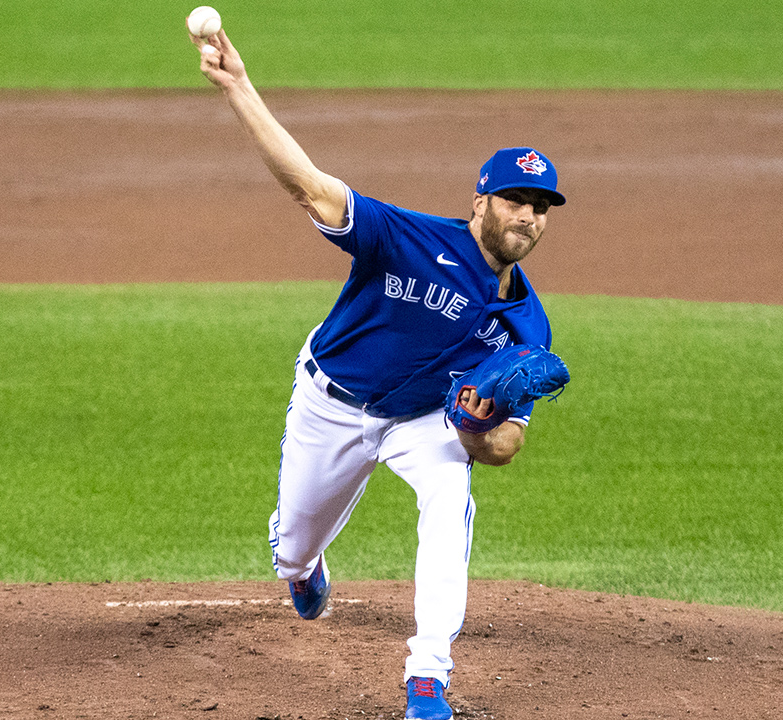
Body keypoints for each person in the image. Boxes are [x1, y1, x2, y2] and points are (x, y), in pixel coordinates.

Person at [192, 27, 566, 720]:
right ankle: (304, 566)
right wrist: (239, 86)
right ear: (480, 202)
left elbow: (506, 447)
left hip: (425, 420)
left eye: (540, 206)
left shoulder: (527, 328)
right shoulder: (406, 237)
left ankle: (427, 676)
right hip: (330, 404)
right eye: (516, 199)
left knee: (450, 498)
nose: (528, 215)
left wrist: (476, 425)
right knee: (292, 553)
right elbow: (307, 186)